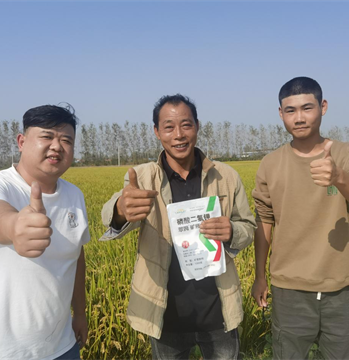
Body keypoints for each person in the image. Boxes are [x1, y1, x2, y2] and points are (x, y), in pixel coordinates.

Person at [100, 94, 256, 360]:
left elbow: (249, 228)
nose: (179, 135)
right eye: (169, 127)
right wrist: (120, 210)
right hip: (166, 313)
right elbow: (110, 214)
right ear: (157, 132)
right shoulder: (144, 177)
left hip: (217, 310)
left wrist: (232, 230)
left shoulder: (226, 176)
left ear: (197, 126)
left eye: (186, 125)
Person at [251, 77, 349, 360]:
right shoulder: (270, 164)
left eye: (307, 108)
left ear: (323, 107)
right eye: (290, 110)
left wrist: (338, 176)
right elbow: (264, 222)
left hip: (341, 288)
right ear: (280, 114)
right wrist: (259, 276)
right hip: (289, 290)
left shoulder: (346, 154)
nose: (299, 118)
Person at [0, 105, 90, 360]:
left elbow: (76, 257)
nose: (57, 146)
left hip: (62, 348)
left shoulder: (74, 195)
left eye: (66, 140)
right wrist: (14, 225)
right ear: (21, 141)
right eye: (46, 136)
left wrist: (81, 313)